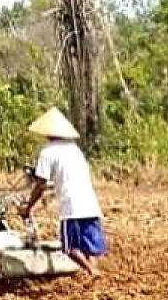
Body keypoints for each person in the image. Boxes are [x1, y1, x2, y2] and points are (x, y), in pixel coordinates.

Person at [21, 107, 108, 276]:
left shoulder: (47, 152)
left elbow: (40, 185)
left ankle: (91, 271)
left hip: (71, 206)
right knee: (89, 246)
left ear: (46, 133)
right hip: (89, 202)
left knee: (69, 247)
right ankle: (94, 272)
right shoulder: (75, 149)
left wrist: (28, 207)